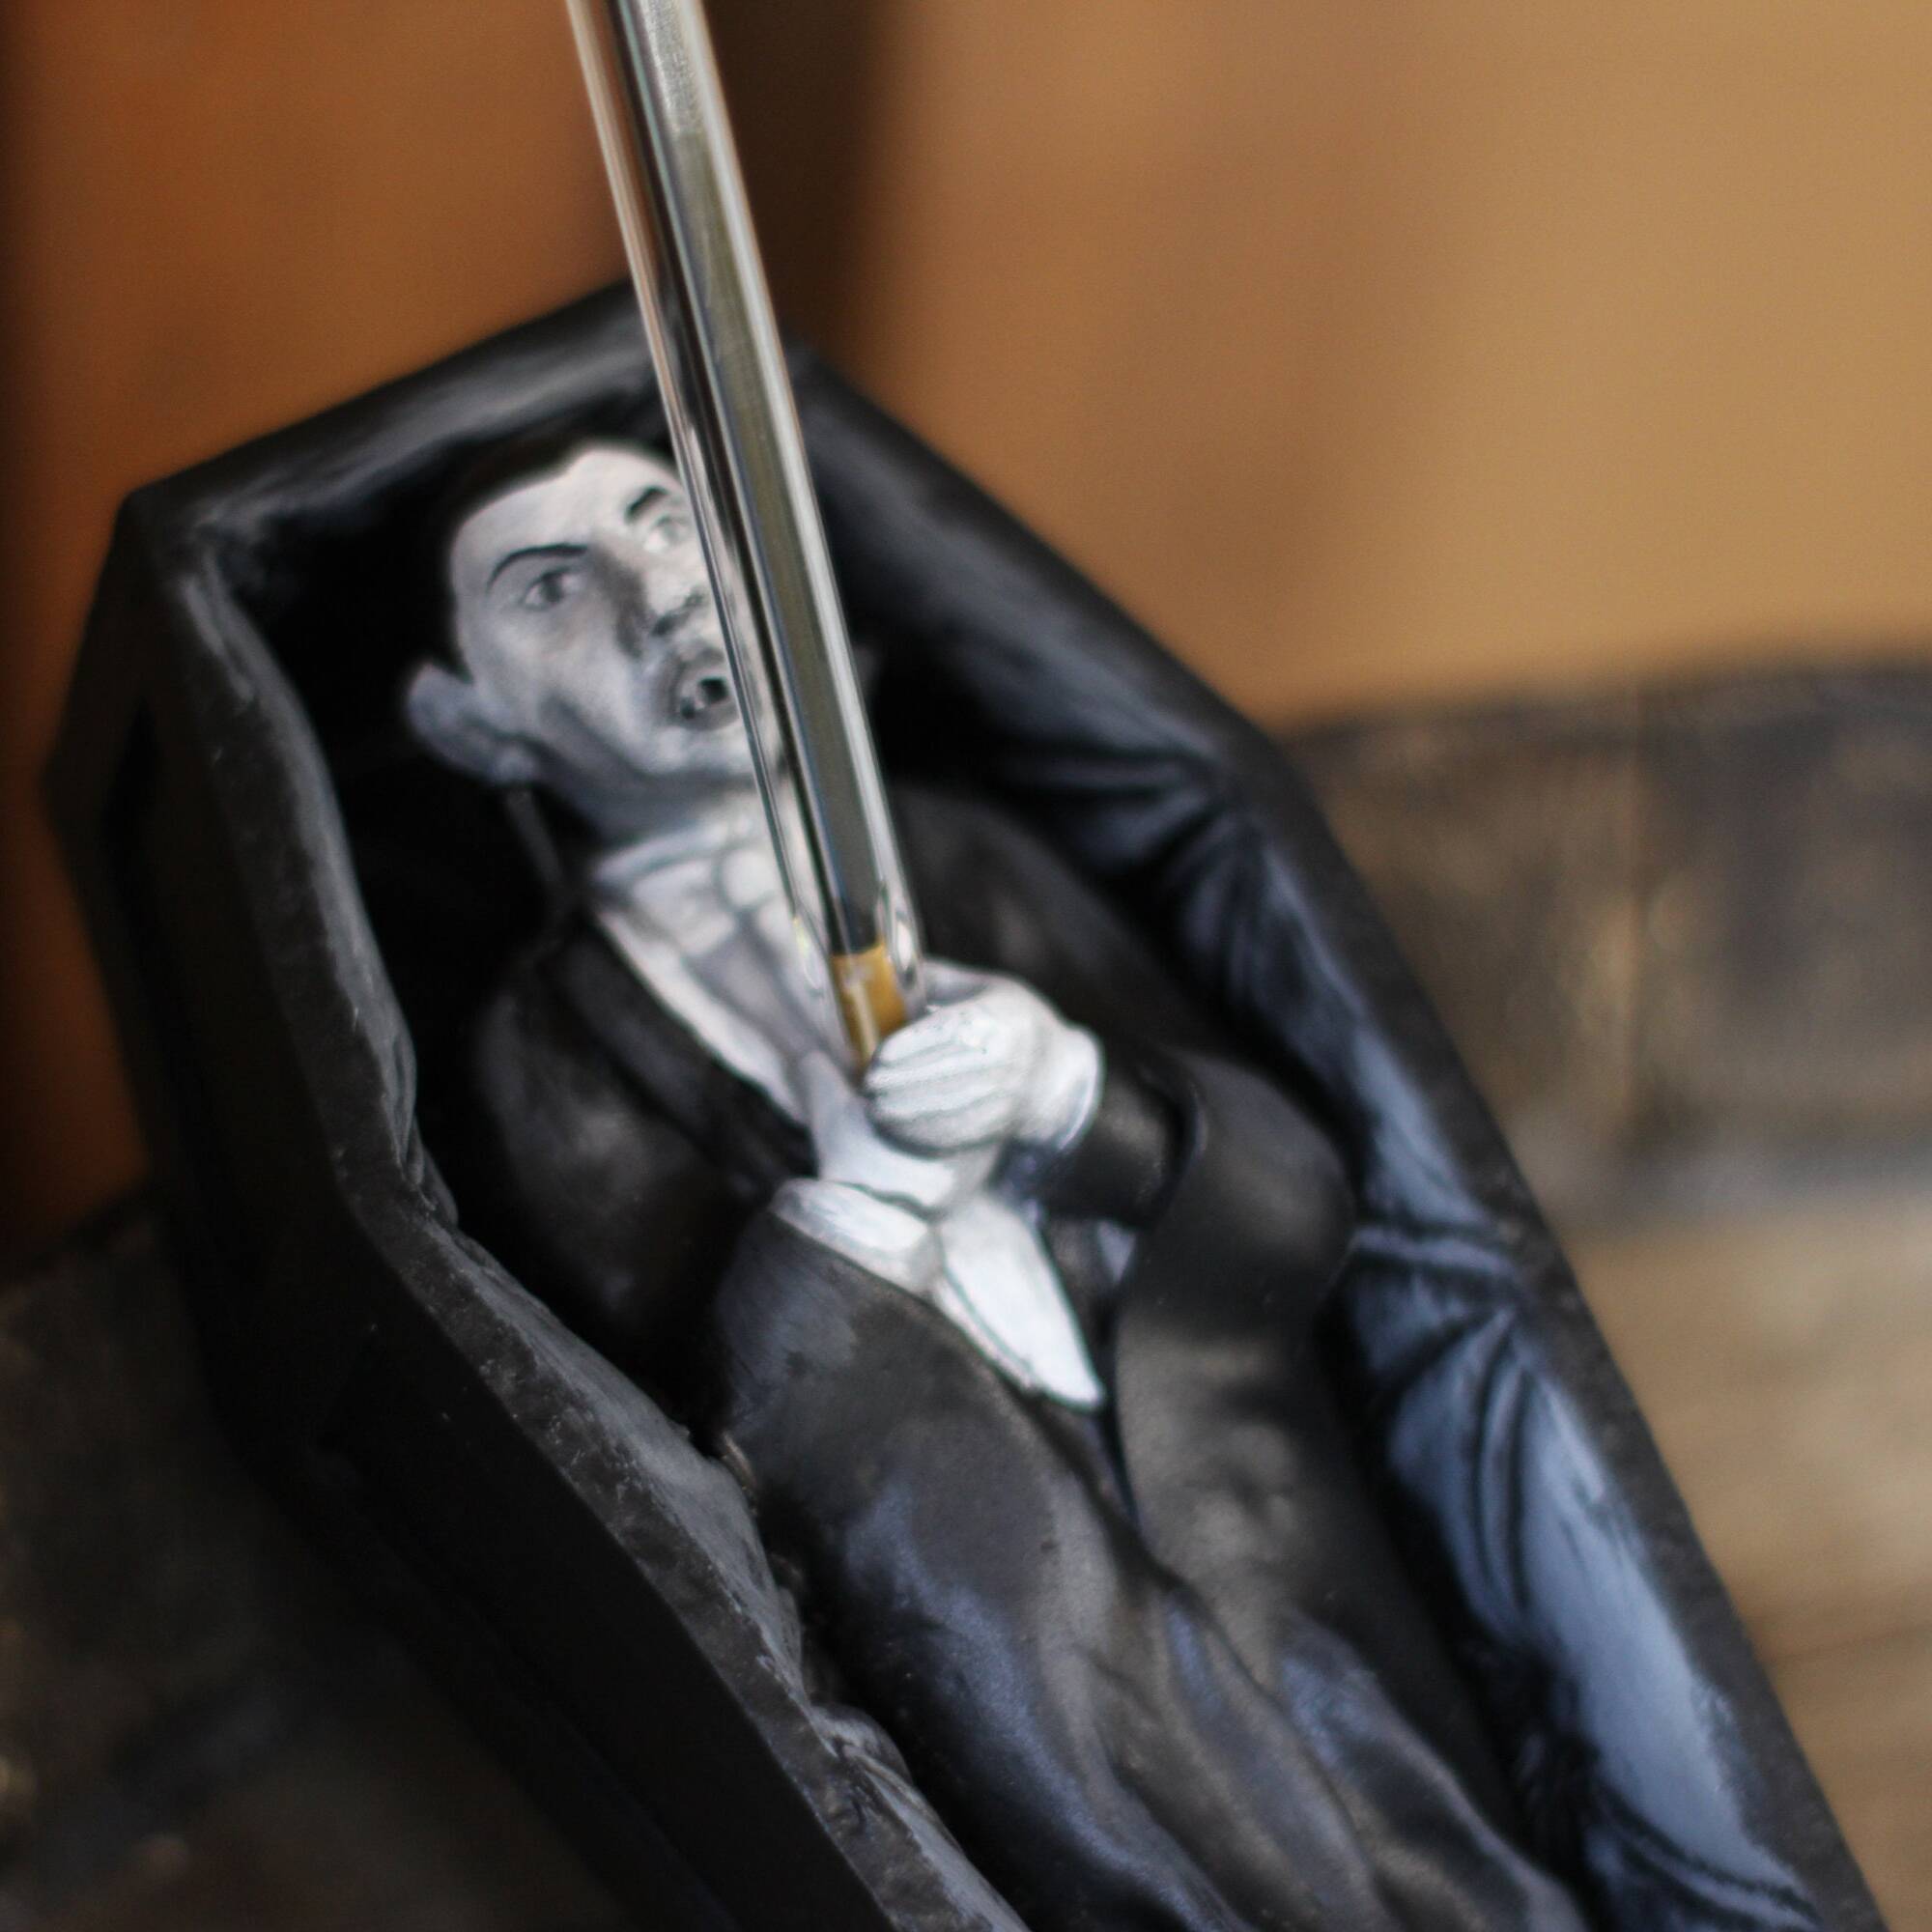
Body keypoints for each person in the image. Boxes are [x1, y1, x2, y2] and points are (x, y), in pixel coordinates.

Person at [406, 439, 1587, 1930]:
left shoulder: (963, 855)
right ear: (473, 725)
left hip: (1249, 1527)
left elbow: (1293, 1190)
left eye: (669, 523)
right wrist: (868, 1206)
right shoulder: (547, 1044)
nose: (663, 601)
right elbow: (703, 1446)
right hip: (1006, 1638)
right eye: (552, 591)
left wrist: (1069, 1094)